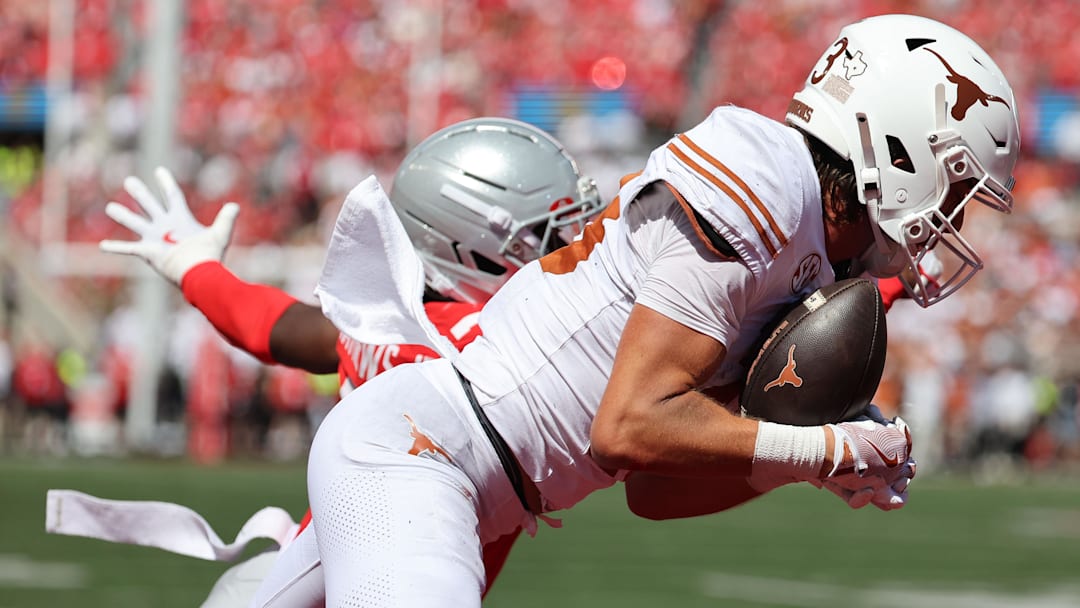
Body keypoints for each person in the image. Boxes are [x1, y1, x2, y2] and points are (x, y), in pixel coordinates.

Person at [247, 14, 1018, 606]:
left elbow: (652, 489)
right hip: (421, 452)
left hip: (461, 477)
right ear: (897, 144)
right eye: (956, 185)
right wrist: (823, 450)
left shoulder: (807, 257)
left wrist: (804, 461)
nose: (955, 217)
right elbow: (627, 425)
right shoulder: (769, 181)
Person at [83, 117, 601, 605]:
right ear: (474, 251)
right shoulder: (477, 347)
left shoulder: (386, 323)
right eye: (554, 235)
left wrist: (195, 269)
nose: (579, 248)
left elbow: (279, 329)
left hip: (298, 576)